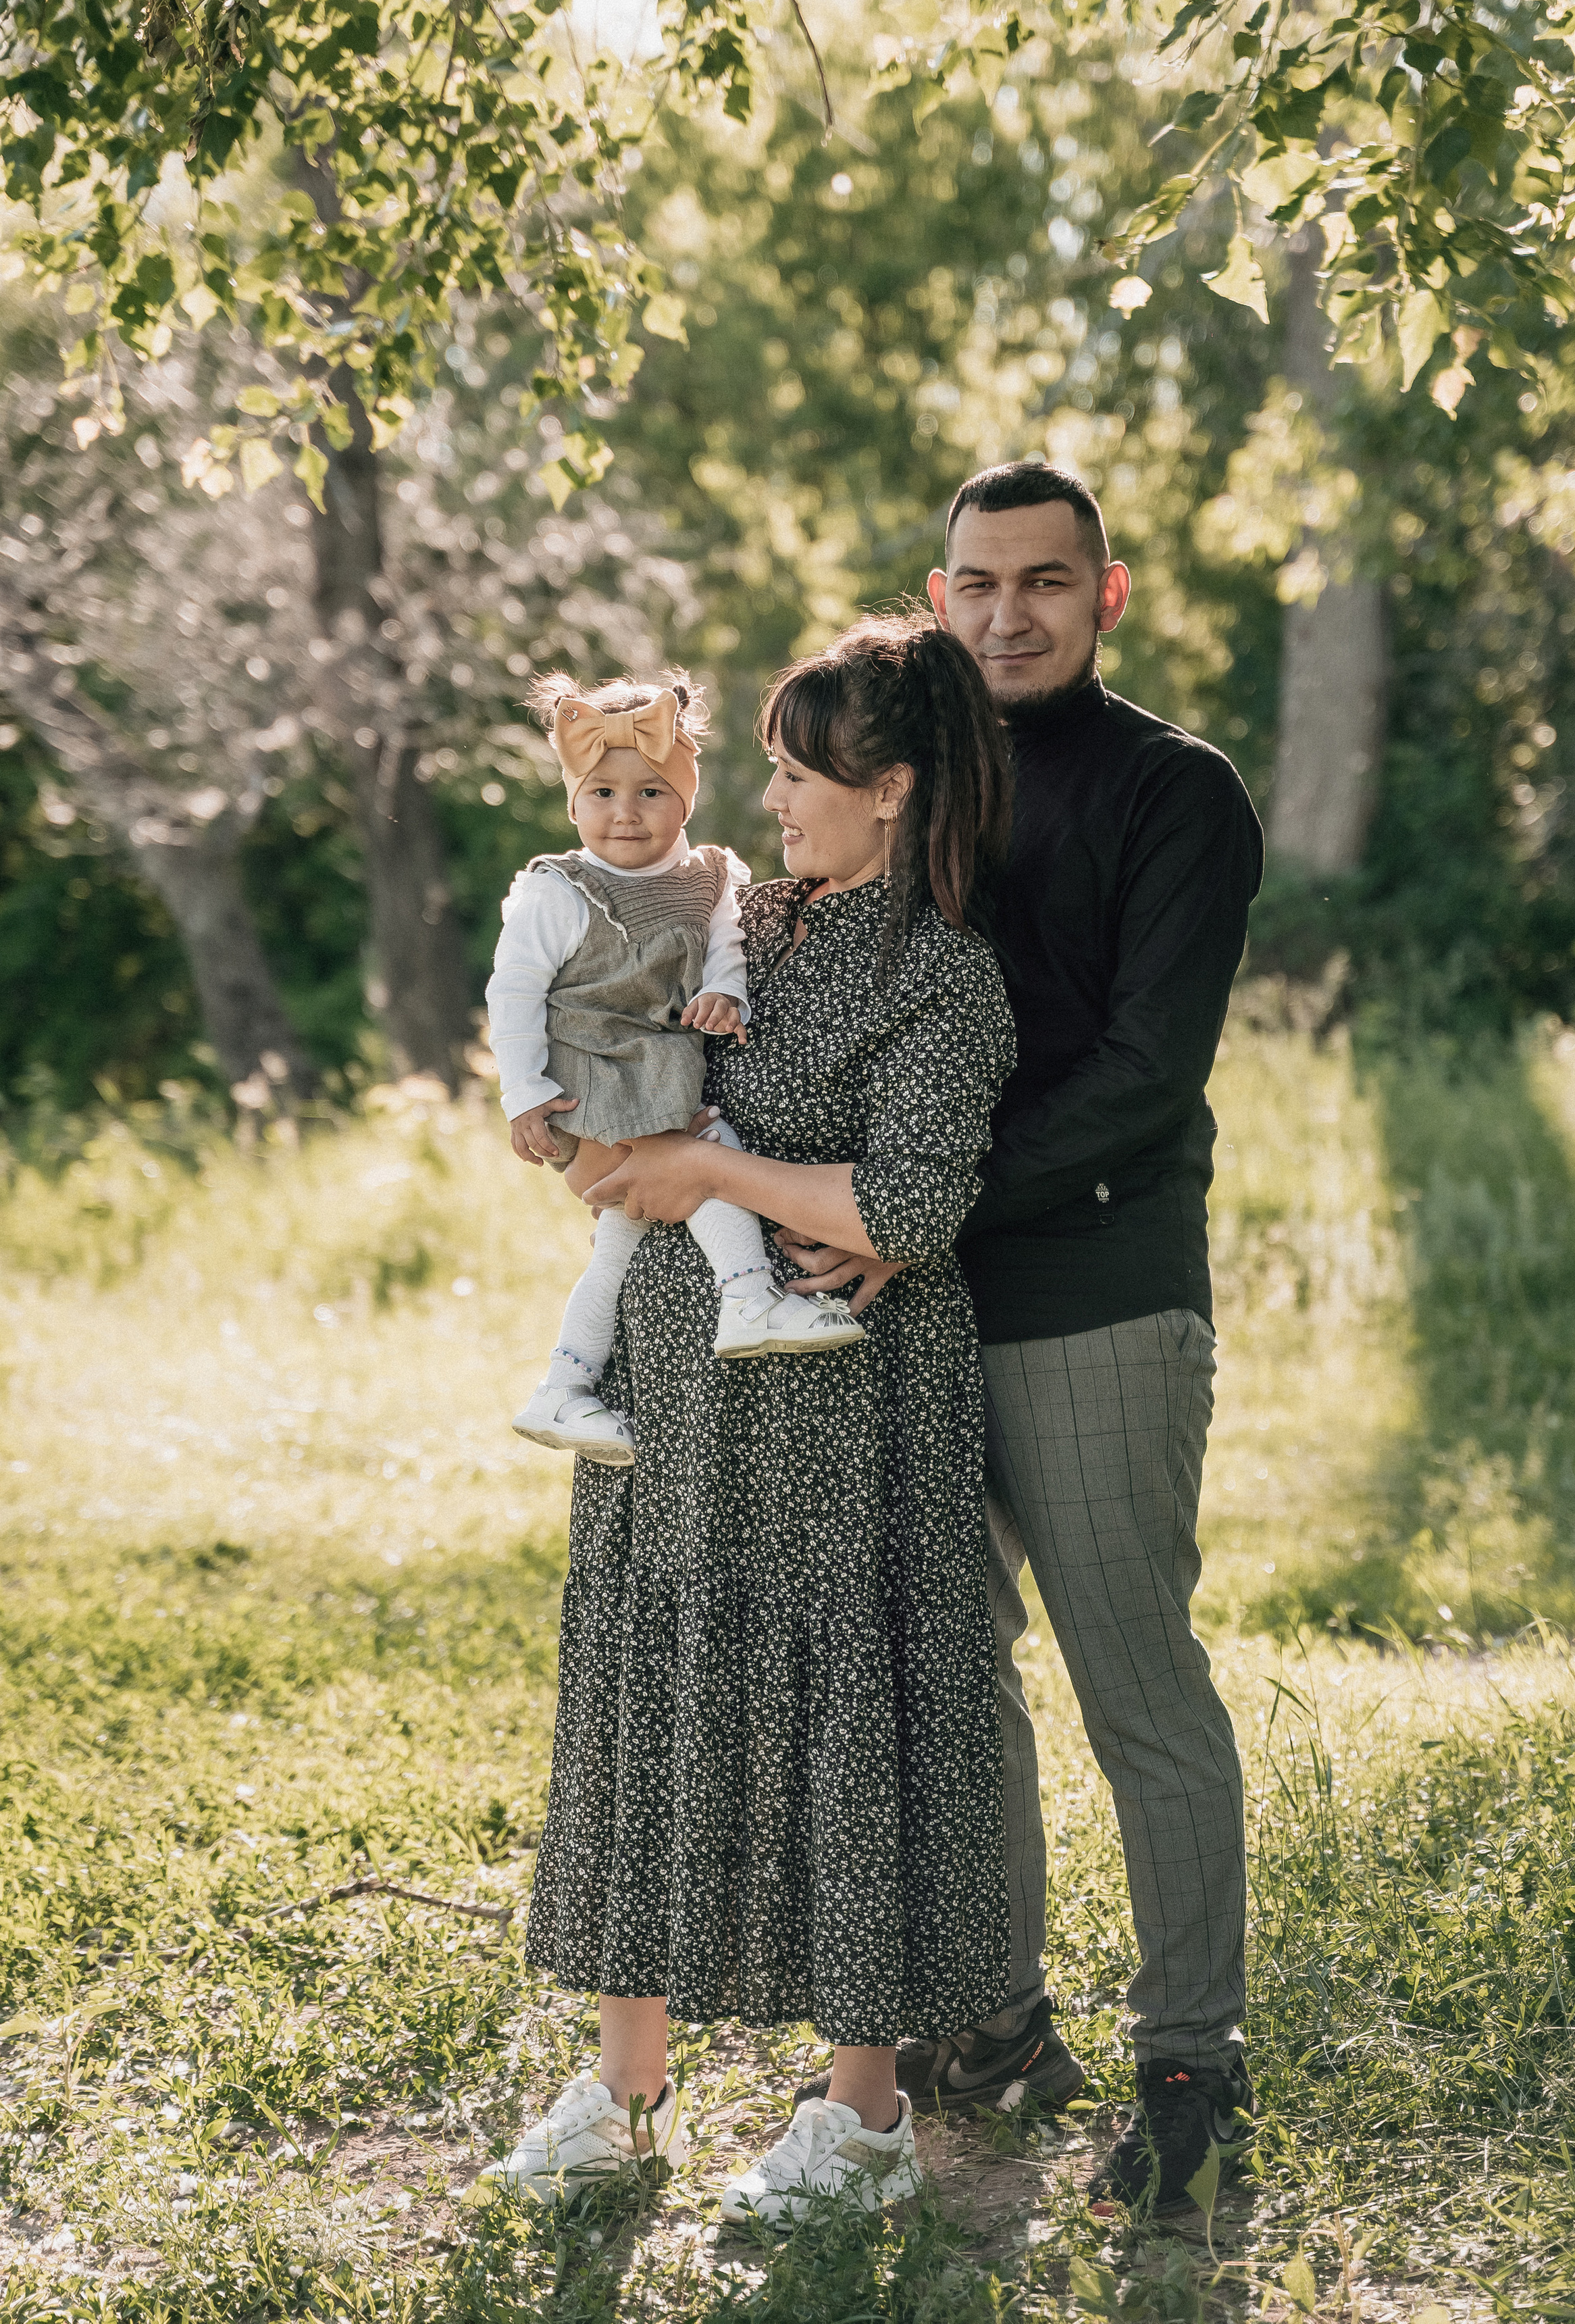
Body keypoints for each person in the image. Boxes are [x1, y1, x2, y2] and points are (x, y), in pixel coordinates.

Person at [483, 616, 1018, 2227]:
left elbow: (905, 1203)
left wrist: (709, 1168)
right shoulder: (739, 917)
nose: (768, 798)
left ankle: (861, 2116)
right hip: (670, 1395)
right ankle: (624, 2085)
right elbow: (596, 1051)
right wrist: (571, 1117)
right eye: (770, 768)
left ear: (892, 788)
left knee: (848, 1725)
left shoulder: (939, 972)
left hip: (844, 1416)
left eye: (799, 774)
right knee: (648, 1696)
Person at [783, 461, 1264, 2216]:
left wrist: (906, 1211)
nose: (1009, 615)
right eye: (977, 585)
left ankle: (1190, 2067)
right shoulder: (906, 774)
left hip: (1095, 1295)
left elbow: (1145, 1077)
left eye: (1046, 582)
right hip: (904, 1302)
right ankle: (994, 2027)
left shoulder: (1173, 791)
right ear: (938, 596)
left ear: (1105, 594)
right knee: (949, 1676)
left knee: (1135, 1686)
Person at [486, 671, 864, 1469]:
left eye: (651, 792)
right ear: (574, 805)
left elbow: (726, 947)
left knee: (618, 1243)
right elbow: (512, 994)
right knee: (710, 1151)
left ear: (685, 800)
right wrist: (524, 1094)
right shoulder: (560, 891)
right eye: (602, 793)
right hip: (593, 1078)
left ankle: (563, 1387)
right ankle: (749, 1298)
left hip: (659, 1071)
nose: (625, 812)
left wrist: (726, 994)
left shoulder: (710, 879)